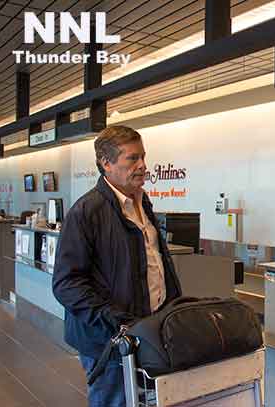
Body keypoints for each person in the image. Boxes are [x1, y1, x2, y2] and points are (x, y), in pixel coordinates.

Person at [52, 126, 182, 407]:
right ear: (106, 163)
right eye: (132, 159)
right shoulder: (87, 212)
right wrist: (114, 321)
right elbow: (66, 283)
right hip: (109, 341)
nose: (143, 166)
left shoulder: (142, 202)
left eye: (143, 157)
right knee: (114, 400)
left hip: (147, 332)